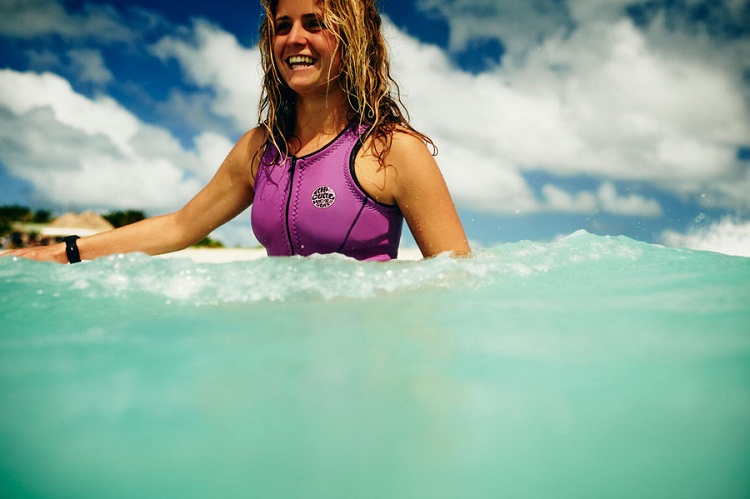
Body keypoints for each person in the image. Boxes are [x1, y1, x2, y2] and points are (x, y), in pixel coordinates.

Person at [5, 0, 469, 264]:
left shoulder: (394, 151)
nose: (294, 39)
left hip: (366, 361)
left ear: (353, 39)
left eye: (316, 24)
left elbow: (457, 282)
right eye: (282, 26)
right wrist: (60, 255)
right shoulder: (260, 149)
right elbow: (177, 227)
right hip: (274, 357)